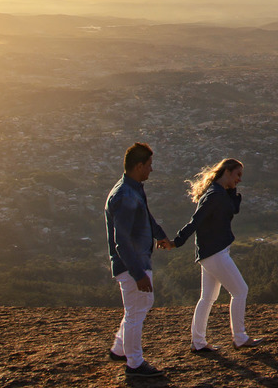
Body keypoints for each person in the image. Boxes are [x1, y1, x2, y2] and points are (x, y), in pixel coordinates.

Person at [173, 157, 263, 351]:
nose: (239, 179)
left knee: (208, 298)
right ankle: (239, 337)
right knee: (240, 291)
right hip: (215, 253)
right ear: (227, 172)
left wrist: (231, 190)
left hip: (210, 252)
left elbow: (233, 209)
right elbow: (195, 221)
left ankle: (198, 342)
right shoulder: (214, 195)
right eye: (237, 174)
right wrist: (178, 241)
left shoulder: (219, 192)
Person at [105, 142, 173, 379]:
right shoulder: (124, 195)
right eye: (149, 165)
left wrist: (160, 235)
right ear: (138, 165)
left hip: (136, 259)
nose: (151, 170)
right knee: (136, 311)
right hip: (131, 262)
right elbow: (121, 242)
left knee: (139, 306)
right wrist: (138, 273)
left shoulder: (134, 189)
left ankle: (119, 349)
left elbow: (145, 214)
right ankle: (134, 363)